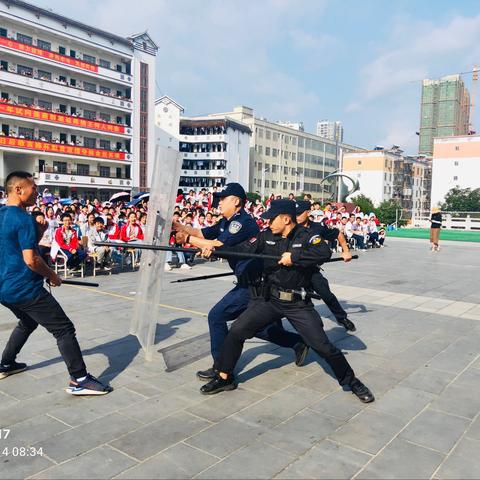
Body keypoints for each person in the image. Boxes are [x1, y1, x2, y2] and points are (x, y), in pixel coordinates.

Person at [199, 199, 374, 403]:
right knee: (237, 331)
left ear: (285, 219)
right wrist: (213, 250)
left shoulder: (308, 235)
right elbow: (245, 248)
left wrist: (295, 257)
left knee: (323, 346)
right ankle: (224, 377)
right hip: (270, 299)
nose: (268, 223)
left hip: (297, 303)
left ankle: (351, 381)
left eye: (272, 219)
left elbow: (323, 252)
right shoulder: (266, 236)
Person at [174, 183, 309, 381]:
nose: (219, 202)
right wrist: (177, 226)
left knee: (217, 316)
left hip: (254, 283)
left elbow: (217, 245)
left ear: (236, 201)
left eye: (223, 198)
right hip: (250, 282)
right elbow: (202, 234)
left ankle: (221, 368)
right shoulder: (226, 222)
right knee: (256, 327)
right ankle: (297, 343)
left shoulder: (242, 222)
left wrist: (186, 239)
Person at [0, 171, 111, 395]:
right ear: (18, 190)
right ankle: (79, 379)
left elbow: (16, 244)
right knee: (64, 329)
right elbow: (31, 259)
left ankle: (6, 364)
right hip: (24, 288)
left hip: (4, 288)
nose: (37, 193)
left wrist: (38, 229)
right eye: (33, 188)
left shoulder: (5, 214)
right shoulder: (23, 219)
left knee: (28, 322)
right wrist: (52, 274)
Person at [295, 201, 356, 332]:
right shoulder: (291, 228)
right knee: (297, 301)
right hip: (294, 270)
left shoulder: (317, 227)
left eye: (299, 214)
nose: (296, 217)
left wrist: (345, 250)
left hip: (312, 270)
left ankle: (341, 317)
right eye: (295, 214)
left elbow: (337, 234)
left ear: (308, 212)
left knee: (326, 295)